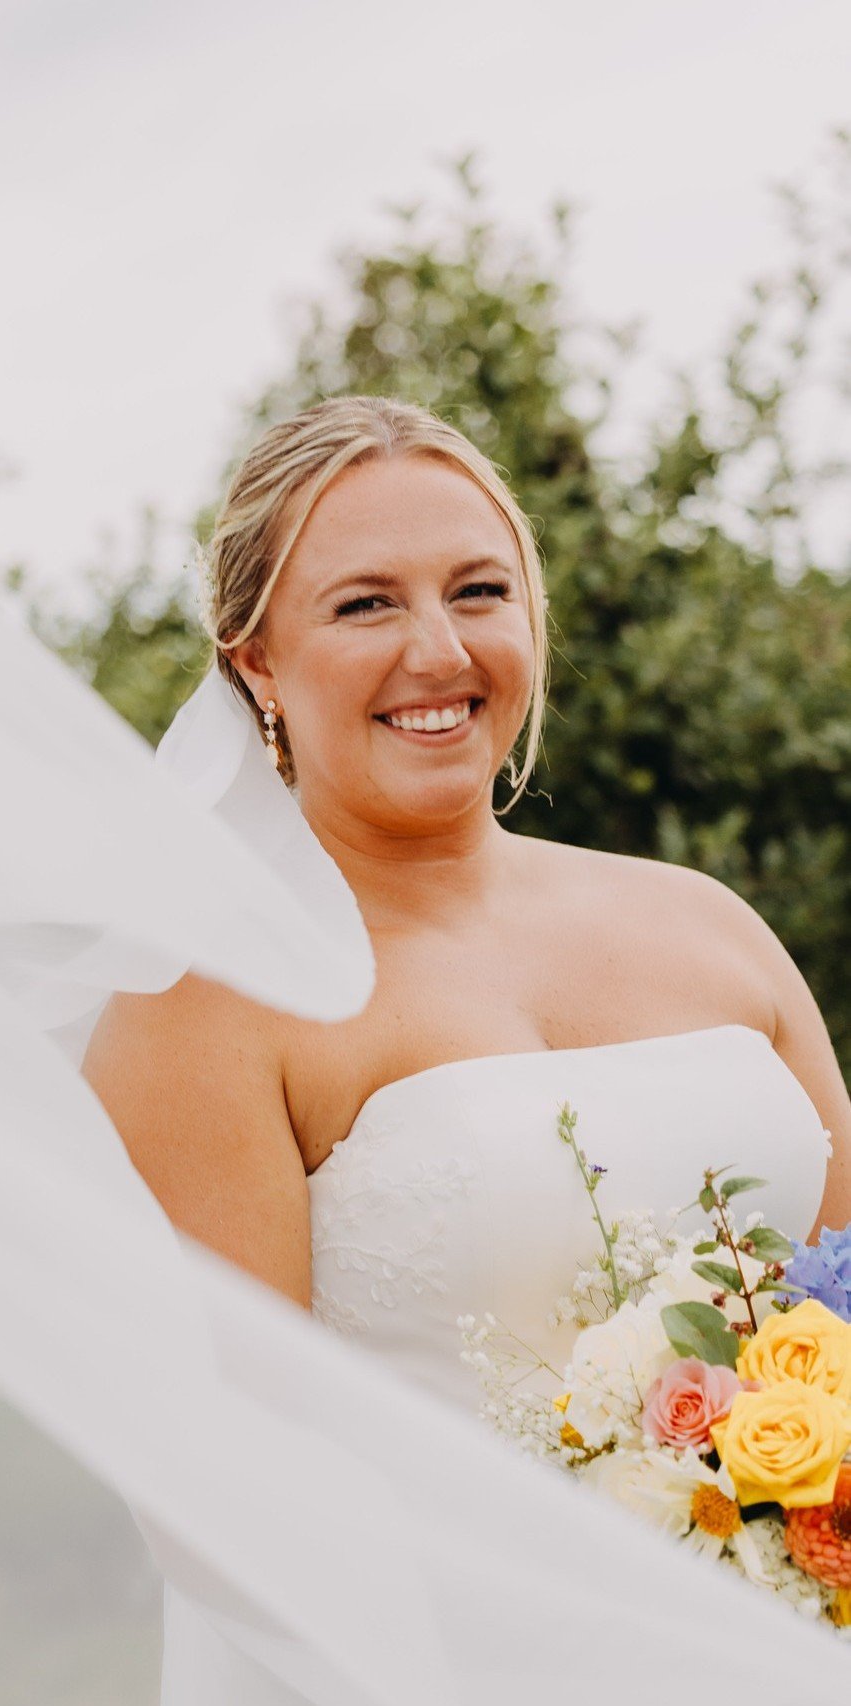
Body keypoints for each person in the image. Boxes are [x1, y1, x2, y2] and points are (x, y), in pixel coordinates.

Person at [81, 397, 851, 1696]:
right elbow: (221, 1501)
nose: (436, 649)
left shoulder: (705, 925)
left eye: (477, 589)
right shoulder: (205, 1005)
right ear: (254, 662)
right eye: (364, 605)